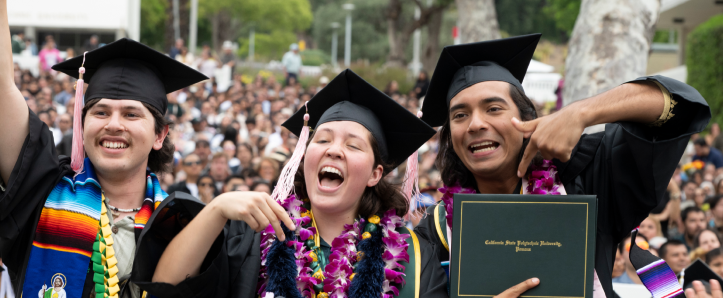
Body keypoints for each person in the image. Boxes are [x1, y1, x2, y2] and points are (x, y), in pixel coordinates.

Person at [415, 33, 710, 297]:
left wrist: (582, 112)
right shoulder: (436, 231)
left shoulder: (587, 176)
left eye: (493, 108)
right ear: (450, 138)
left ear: (528, 118)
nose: (476, 124)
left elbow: (682, 108)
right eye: (459, 115)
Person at [0, 2, 207, 297]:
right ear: (81, 123)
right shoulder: (42, 190)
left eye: (131, 114)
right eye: (100, 112)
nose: (114, 125)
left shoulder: (179, 224)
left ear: (160, 135)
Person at [138, 69, 447, 298]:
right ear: (304, 155)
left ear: (375, 174)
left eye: (353, 146)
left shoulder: (415, 255)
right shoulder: (254, 236)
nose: (333, 149)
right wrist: (216, 210)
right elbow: (166, 286)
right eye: (322, 139)